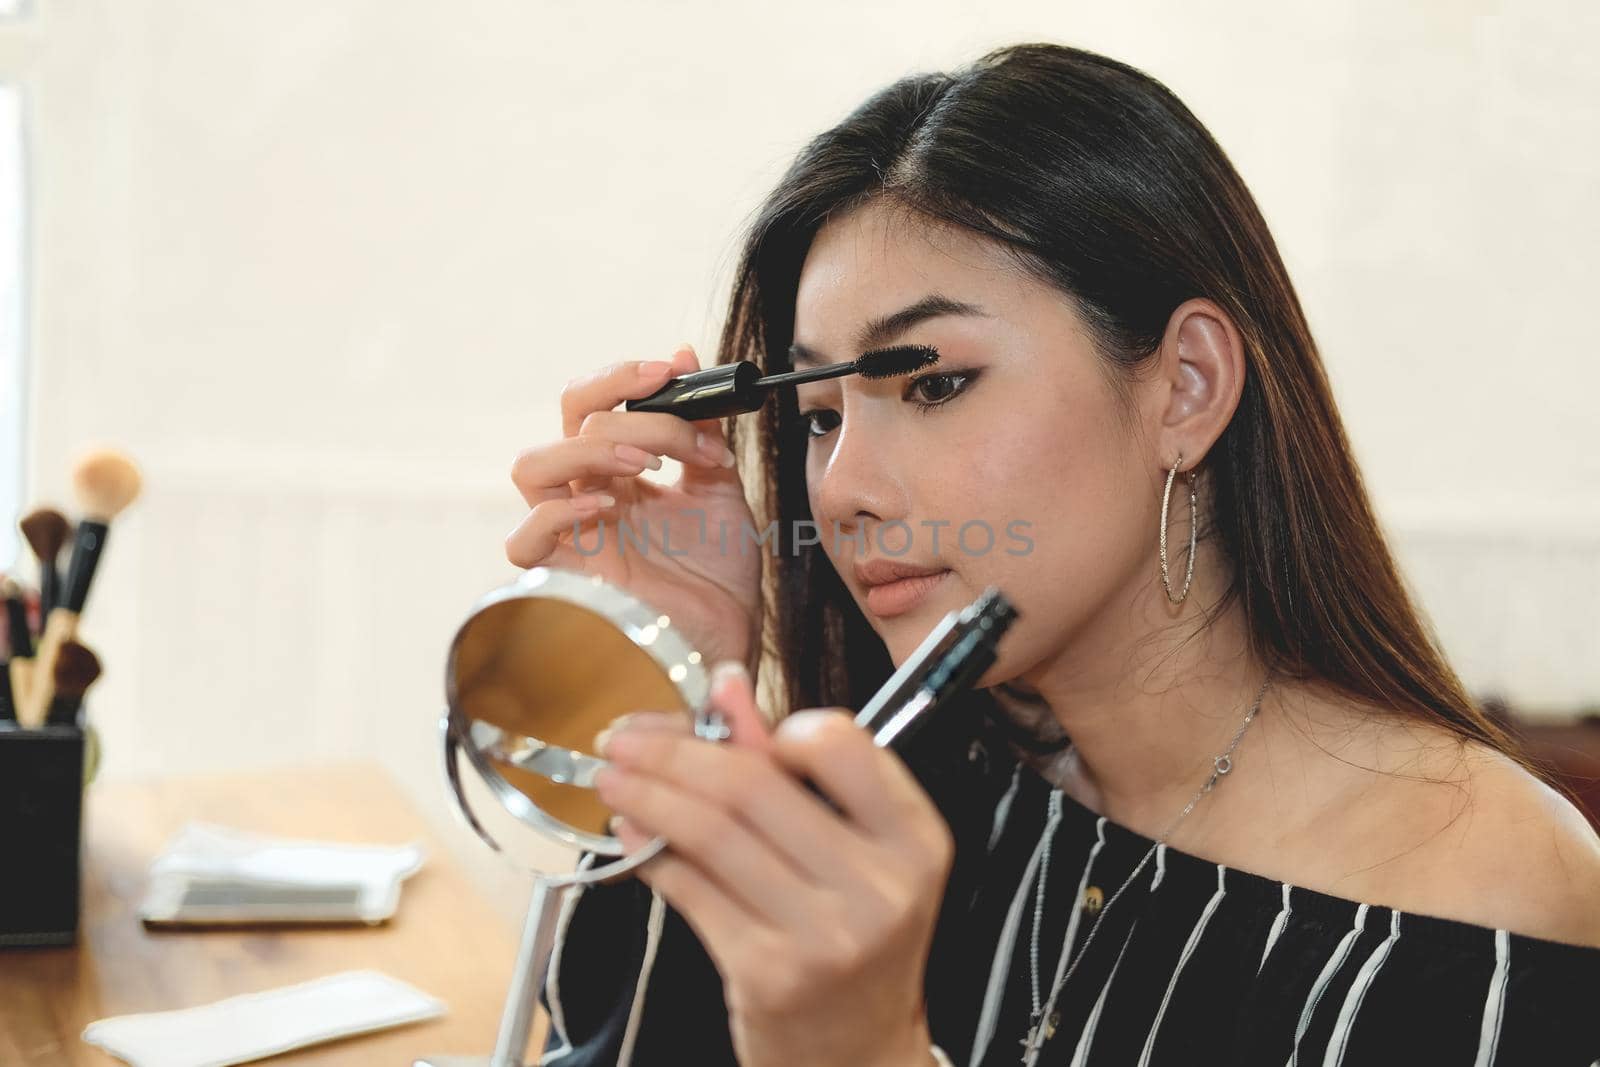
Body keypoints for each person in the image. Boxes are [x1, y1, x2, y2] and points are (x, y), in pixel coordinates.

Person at [503, 41, 1600, 1067]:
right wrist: (682, 676)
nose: (838, 487)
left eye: (933, 384)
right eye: (819, 414)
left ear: (1186, 387)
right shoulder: (937, 778)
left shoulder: (1486, 893)